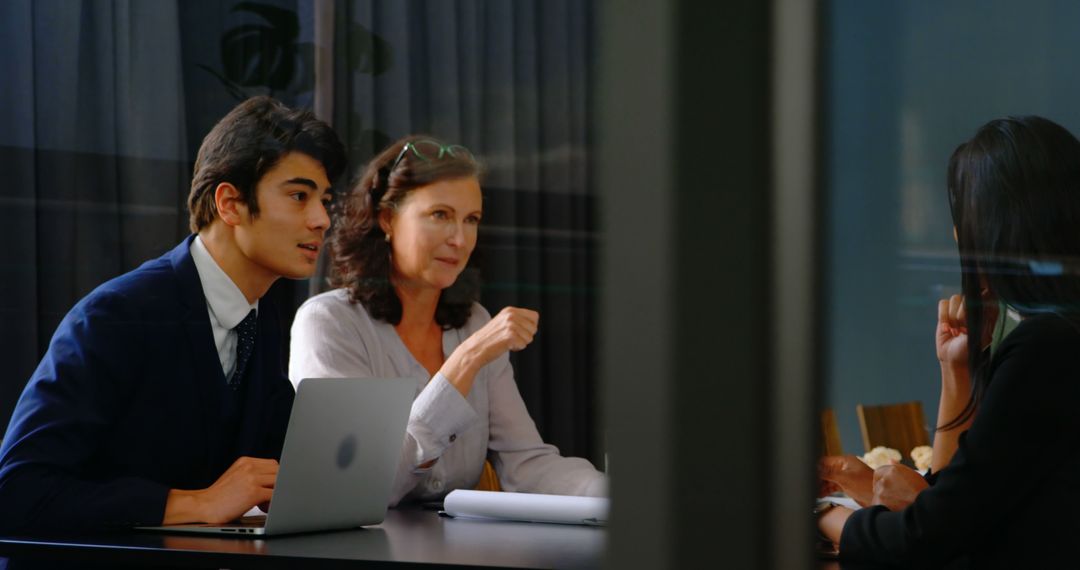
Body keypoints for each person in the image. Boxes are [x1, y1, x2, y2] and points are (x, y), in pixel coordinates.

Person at [0, 96, 346, 534]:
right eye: (299, 196)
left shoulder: (262, 318)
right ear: (229, 204)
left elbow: (282, 461)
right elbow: (17, 490)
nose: (321, 220)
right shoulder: (118, 316)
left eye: (325, 201)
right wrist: (193, 503)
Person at [817, 116, 1080, 567]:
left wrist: (825, 516)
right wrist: (954, 369)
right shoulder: (1054, 334)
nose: (957, 236)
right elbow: (958, 502)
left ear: (1000, 227)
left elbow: (929, 537)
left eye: (965, 217)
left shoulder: (1048, 346)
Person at [289, 136, 606, 505]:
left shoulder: (473, 322)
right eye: (440, 215)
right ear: (387, 219)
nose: (460, 239)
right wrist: (466, 360)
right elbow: (357, 484)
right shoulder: (330, 323)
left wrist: (619, 496)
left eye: (471, 219)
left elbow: (527, 465)